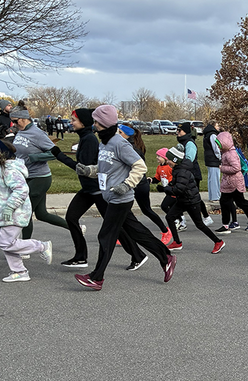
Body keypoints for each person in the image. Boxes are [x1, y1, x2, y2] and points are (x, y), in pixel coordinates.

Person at [73, 104, 176, 291]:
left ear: (104, 123)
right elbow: (106, 168)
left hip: (121, 198)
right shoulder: (104, 143)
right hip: (111, 197)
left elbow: (140, 167)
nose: (94, 124)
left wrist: (127, 185)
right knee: (137, 233)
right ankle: (166, 258)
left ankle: (97, 278)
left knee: (106, 236)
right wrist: (89, 171)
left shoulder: (119, 143)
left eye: (96, 121)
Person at [51, 109, 143, 268]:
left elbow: (83, 168)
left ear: (83, 122)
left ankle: (138, 255)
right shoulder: (85, 138)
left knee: (116, 227)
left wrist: (58, 154)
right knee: (71, 218)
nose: (70, 122)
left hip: (98, 190)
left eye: (73, 120)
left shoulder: (89, 140)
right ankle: (80, 257)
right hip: (88, 189)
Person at [0, 140, 53, 282]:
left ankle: (41, 246)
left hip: (15, 212)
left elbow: (22, 190)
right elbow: (0, 190)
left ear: (2, 154)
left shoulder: (9, 170)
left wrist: (9, 207)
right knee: (7, 243)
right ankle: (20, 271)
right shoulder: (2, 169)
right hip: (8, 212)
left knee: (6, 243)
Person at [10, 105, 69, 239]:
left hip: (40, 177)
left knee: (24, 211)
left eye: (16, 121)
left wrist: (35, 157)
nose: (14, 124)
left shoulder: (37, 134)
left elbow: (55, 153)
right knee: (42, 214)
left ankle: (25, 245)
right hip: (25, 176)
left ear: (24, 118)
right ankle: (75, 227)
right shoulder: (20, 132)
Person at [158, 146, 225, 254]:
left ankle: (218, 242)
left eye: (169, 159)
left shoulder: (182, 171)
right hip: (183, 200)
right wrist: (168, 186)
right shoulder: (177, 169)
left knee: (199, 225)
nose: (168, 161)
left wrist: (166, 189)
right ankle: (177, 242)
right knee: (169, 217)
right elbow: (176, 183)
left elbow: (179, 189)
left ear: (175, 160)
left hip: (191, 201)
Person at [118, 124, 171, 244]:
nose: (118, 135)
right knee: (123, 210)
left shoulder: (133, 149)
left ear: (127, 135)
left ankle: (165, 231)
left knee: (146, 210)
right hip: (131, 184)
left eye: (120, 133)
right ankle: (122, 235)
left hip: (140, 185)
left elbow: (138, 167)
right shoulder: (126, 146)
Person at [215, 131, 248, 234]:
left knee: (239, 201)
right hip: (230, 182)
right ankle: (226, 225)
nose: (218, 146)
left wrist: (222, 168)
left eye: (219, 144)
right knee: (226, 201)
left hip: (234, 182)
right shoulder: (227, 153)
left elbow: (236, 168)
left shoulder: (230, 154)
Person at [176, 122, 212, 225]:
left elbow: (189, 160)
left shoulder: (190, 143)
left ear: (186, 132)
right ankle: (181, 218)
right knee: (185, 197)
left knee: (193, 198)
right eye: (177, 130)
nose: (177, 132)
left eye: (180, 131)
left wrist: (180, 165)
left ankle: (205, 217)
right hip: (184, 173)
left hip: (192, 173)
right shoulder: (181, 143)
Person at [202, 120, 222, 203]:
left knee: (211, 178)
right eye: (217, 125)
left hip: (209, 158)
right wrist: (219, 157)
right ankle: (215, 196)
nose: (218, 127)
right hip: (213, 159)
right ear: (213, 126)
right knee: (215, 178)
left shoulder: (206, 134)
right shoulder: (213, 135)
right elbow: (216, 148)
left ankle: (212, 195)